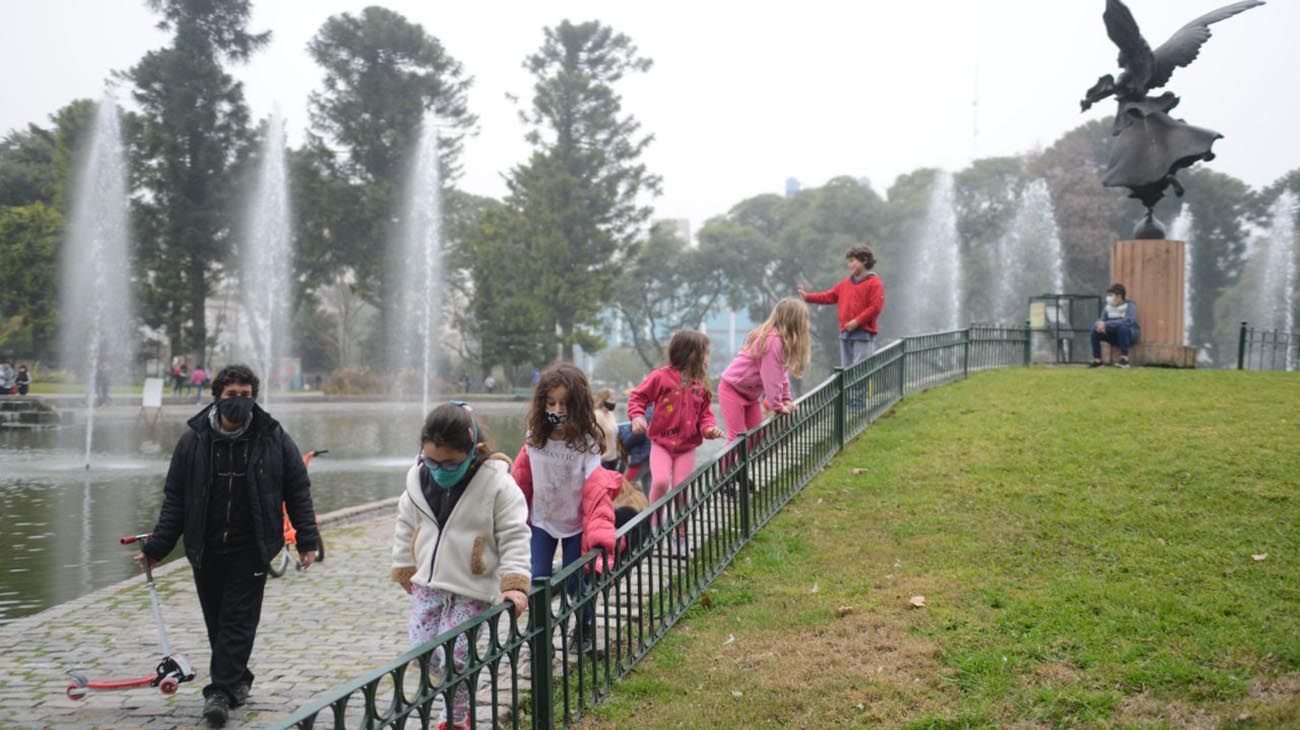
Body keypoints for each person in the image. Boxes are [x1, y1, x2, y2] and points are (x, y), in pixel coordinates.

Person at [136, 364, 319, 727]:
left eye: (246, 396)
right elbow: (175, 498)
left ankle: (218, 692)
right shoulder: (194, 439)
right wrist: (157, 547)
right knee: (218, 622)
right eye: (232, 395)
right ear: (217, 397)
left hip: (252, 545)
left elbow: (297, 491)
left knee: (237, 619)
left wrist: (307, 540)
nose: (239, 402)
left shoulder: (273, 436)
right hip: (205, 545)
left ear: (255, 398)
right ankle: (238, 680)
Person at [390, 402, 531, 730]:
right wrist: (403, 564)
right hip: (428, 583)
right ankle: (460, 693)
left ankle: (454, 720)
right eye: (432, 461)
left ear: (474, 450)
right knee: (424, 651)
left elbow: (514, 534)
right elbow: (405, 523)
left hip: (471, 586)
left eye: (450, 462)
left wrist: (514, 582)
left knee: (454, 652)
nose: (439, 469)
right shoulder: (417, 479)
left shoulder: (498, 484)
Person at [510, 363, 618, 650]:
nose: (557, 409)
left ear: (578, 404)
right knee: (538, 577)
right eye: (551, 402)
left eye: (564, 403)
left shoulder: (587, 442)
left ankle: (583, 626)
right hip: (542, 519)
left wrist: (598, 526)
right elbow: (522, 476)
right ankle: (539, 632)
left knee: (573, 582)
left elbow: (596, 486)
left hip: (575, 523)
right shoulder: (536, 435)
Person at [627, 332, 726, 548]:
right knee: (661, 481)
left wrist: (709, 428)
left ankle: (680, 531)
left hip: (686, 447)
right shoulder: (660, 377)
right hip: (661, 443)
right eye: (706, 353)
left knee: (681, 488)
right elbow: (638, 397)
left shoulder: (701, 385)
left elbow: (705, 414)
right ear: (691, 354)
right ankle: (653, 526)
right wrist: (637, 416)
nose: (708, 359)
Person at [718, 298, 812, 445]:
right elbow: (771, 378)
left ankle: (744, 469)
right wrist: (777, 405)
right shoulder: (773, 341)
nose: (807, 323)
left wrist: (786, 398)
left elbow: (781, 373)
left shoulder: (782, 342)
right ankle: (725, 469)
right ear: (795, 321)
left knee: (756, 438)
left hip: (751, 395)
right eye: (805, 319)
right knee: (736, 439)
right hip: (732, 389)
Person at [798, 244, 886, 368]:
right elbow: (829, 296)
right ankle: (850, 389)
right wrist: (807, 297)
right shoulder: (845, 284)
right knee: (847, 372)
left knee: (860, 371)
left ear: (864, 260)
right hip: (845, 333)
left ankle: (859, 389)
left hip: (863, 334)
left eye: (852, 261)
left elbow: (875, 307)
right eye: (848, 262)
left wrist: (857, 321)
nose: (849, 265)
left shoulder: (875, 283)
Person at [1090, 283, 1141, 368]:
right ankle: (1097, 360)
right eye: (1108, 295)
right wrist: (1099, 324)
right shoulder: (1108, 307)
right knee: (1094, 330)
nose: (1108, 298)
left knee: (1123, 328)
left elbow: (1129, 320)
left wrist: (1106, 324)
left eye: (1111, 295)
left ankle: (1124, 360)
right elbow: (1102, 319)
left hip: (1129, 336)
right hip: (1113, 335)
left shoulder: (1130, 305)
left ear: (1119, 296)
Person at [592, 388, 620, 470]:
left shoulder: (611, 414)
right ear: (603, 399)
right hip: (603, 460)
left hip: (614, 458)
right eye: (611, 399)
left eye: (614, 399)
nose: (614, 401)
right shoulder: (597, 415)